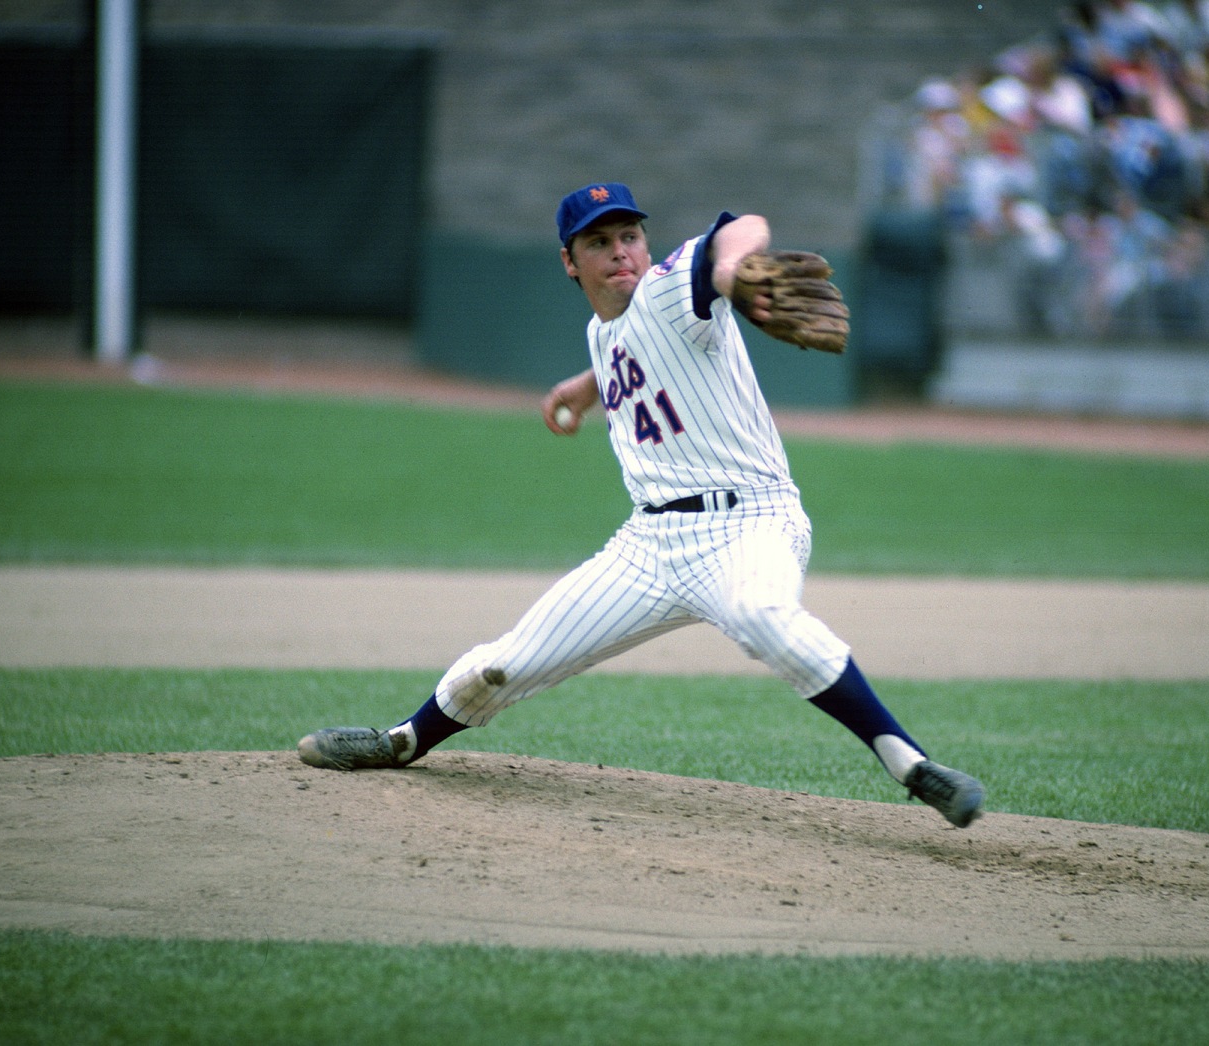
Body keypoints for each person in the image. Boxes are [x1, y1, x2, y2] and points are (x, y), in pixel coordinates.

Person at [297, 183, 985, 828]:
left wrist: (738, 268)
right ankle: (404, 740)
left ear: (646, 246)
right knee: (504, 664)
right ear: (570, 263)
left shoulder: (669, 290)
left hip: (750, 522)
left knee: (760, 614)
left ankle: (913, 764)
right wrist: (587, 384)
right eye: (599, 243)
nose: (620, 250)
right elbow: (630, 348)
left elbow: (740, 229)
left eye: (629, 235)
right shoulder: (607, 332)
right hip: (648, 549)